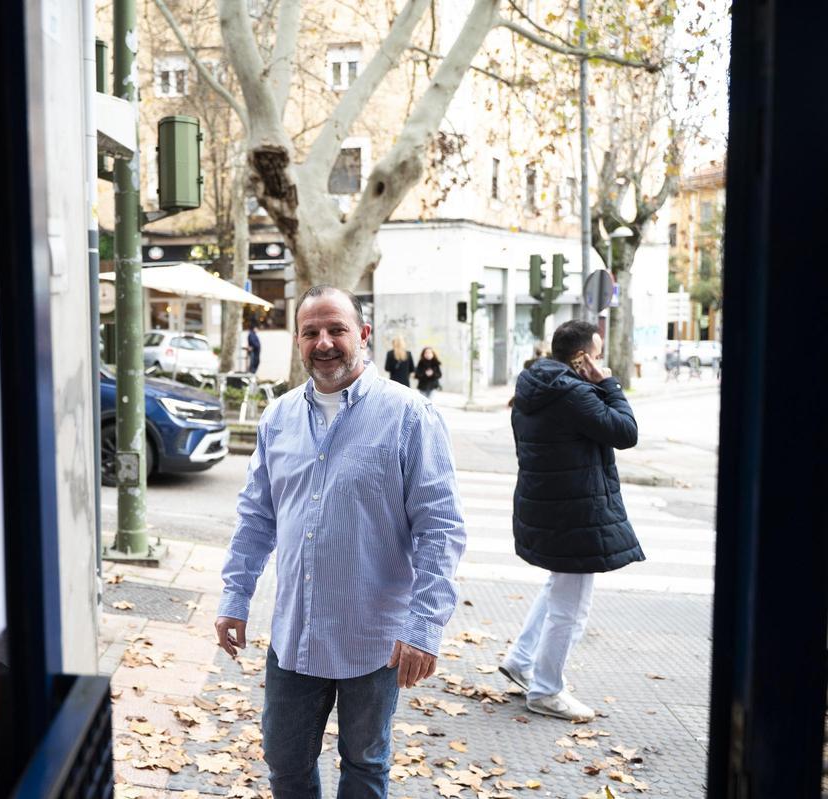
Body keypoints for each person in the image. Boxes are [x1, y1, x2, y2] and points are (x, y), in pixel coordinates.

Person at [215, 286, 466, 798]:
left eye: (337, 330)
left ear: (364, 336)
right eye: (311, 332)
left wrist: (424, 626)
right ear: (298, 342)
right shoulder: (278, 417)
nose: (324, 342)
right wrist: (235, 597)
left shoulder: (408, 414)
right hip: (295, 634)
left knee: (366, 764)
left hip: (373, 639)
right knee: (284, 761)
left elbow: (440, 527)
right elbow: (256, 517)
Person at [499, 319, 644, 722]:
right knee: (572, 606)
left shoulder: (536, 386)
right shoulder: (573, 394)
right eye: (597, 356)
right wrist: (609, 384)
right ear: (582, 358)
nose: (601, 363)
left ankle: (521, 660)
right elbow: (625, 431)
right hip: (575, 511)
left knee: (557, 586)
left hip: (549, 507)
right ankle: (546, 690)